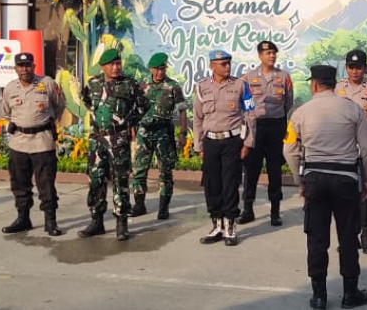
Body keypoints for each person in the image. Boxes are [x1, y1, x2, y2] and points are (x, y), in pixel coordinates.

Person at [293, 65, 367, 309]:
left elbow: (289, 149)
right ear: (335, 84)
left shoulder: (301, 112)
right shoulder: (353, 108)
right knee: (348, 237)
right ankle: (350, 294)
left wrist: (301, 181)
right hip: (346, 179)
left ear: (314, 84)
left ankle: (319, 296)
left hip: (315, 180)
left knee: (317, 238)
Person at [80, 48, 148, 241]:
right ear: (103, 66)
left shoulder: (129, 85)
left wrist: (130, 123)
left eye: (118, 63)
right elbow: (87, 102)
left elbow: (142, 106)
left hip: (118, 139)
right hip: (97, 139)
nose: (116, 67)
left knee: (120, 181)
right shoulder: (92, 84)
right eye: (112, 64)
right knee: (96, 180)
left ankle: (121, 222)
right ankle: (96, 220)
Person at [194, 49, 256, 246]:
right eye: (223, 64)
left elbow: (250, 115)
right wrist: (199, 145)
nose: (227, 67)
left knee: (230, 184)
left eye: (229, 63)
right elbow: (197, 118)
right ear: (212, 65)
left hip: (232, 141)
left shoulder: (240, 85)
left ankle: (230, 227)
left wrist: (247, 142)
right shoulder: (201, 87)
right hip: (210, 141)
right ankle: (217, 225)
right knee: (212, 185)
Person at [0, 52, 66, 237]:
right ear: (15, 69)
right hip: (19, 143)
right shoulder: (10, 88)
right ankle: (23, 218)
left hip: (42, 142)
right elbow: (6, 112)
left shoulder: (47, 84)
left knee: (46, 184)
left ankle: (50, 221)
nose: (25, 69)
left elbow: (60, 104)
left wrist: (48, 120)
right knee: (19, 184)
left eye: (28, 65)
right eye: (21, 66)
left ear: (34, 66)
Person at [238, 40, 293, 226]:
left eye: (273, 53)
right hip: (255, 126)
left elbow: (288, 103)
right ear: (259, 55)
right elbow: (244, 102)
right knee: (251, 169)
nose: (271, 56)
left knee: (274, 170)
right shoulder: (248, 78)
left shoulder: (284, 76)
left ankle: (275, 211)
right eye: (268, 53)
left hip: (276, 127)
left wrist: (279, 120)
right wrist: (251, 117)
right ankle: (248, 209)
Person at [335, 49, 367, 254]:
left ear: (365, 68)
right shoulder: (338, 88)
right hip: (343, 148)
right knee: (345, 195)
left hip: (366, 148)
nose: (355, 71)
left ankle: (366, 235)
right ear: (346, 68)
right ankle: (348, 237)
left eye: (359, 67)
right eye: (351, 67)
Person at [130, 52, 188, 220]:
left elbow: (182, 111)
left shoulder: (172, 86)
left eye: (162, 68)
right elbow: (134, 110)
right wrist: (133, 130)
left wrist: (183, 133)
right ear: (150, 69)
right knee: (140, 169)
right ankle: (139, 204)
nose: (159, 72)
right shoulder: (142, 87)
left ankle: (164, 207)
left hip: (164, 132)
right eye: (156, 69)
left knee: (165, 171)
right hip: (144, 132)